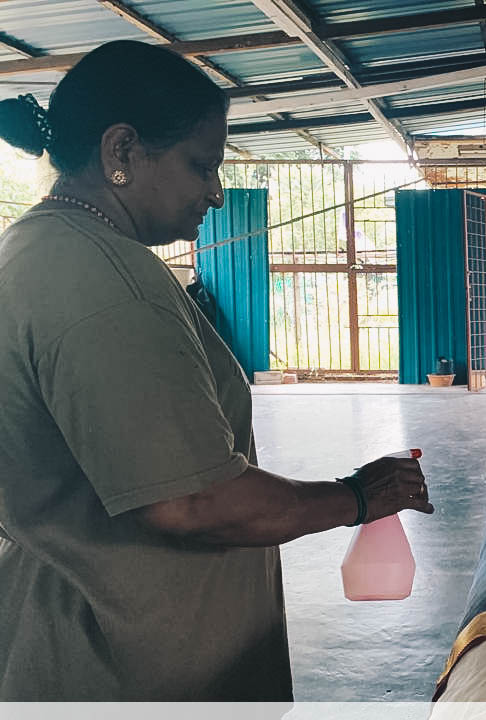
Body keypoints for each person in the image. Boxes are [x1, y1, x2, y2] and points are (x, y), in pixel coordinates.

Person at [0, 40, 434, 701]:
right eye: (201, 165)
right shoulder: (103, 277)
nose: (216, 191)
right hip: (133, 666)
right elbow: (192, 502)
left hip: (80, 637)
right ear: (121, 152)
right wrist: (356, 497)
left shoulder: (38, 248)